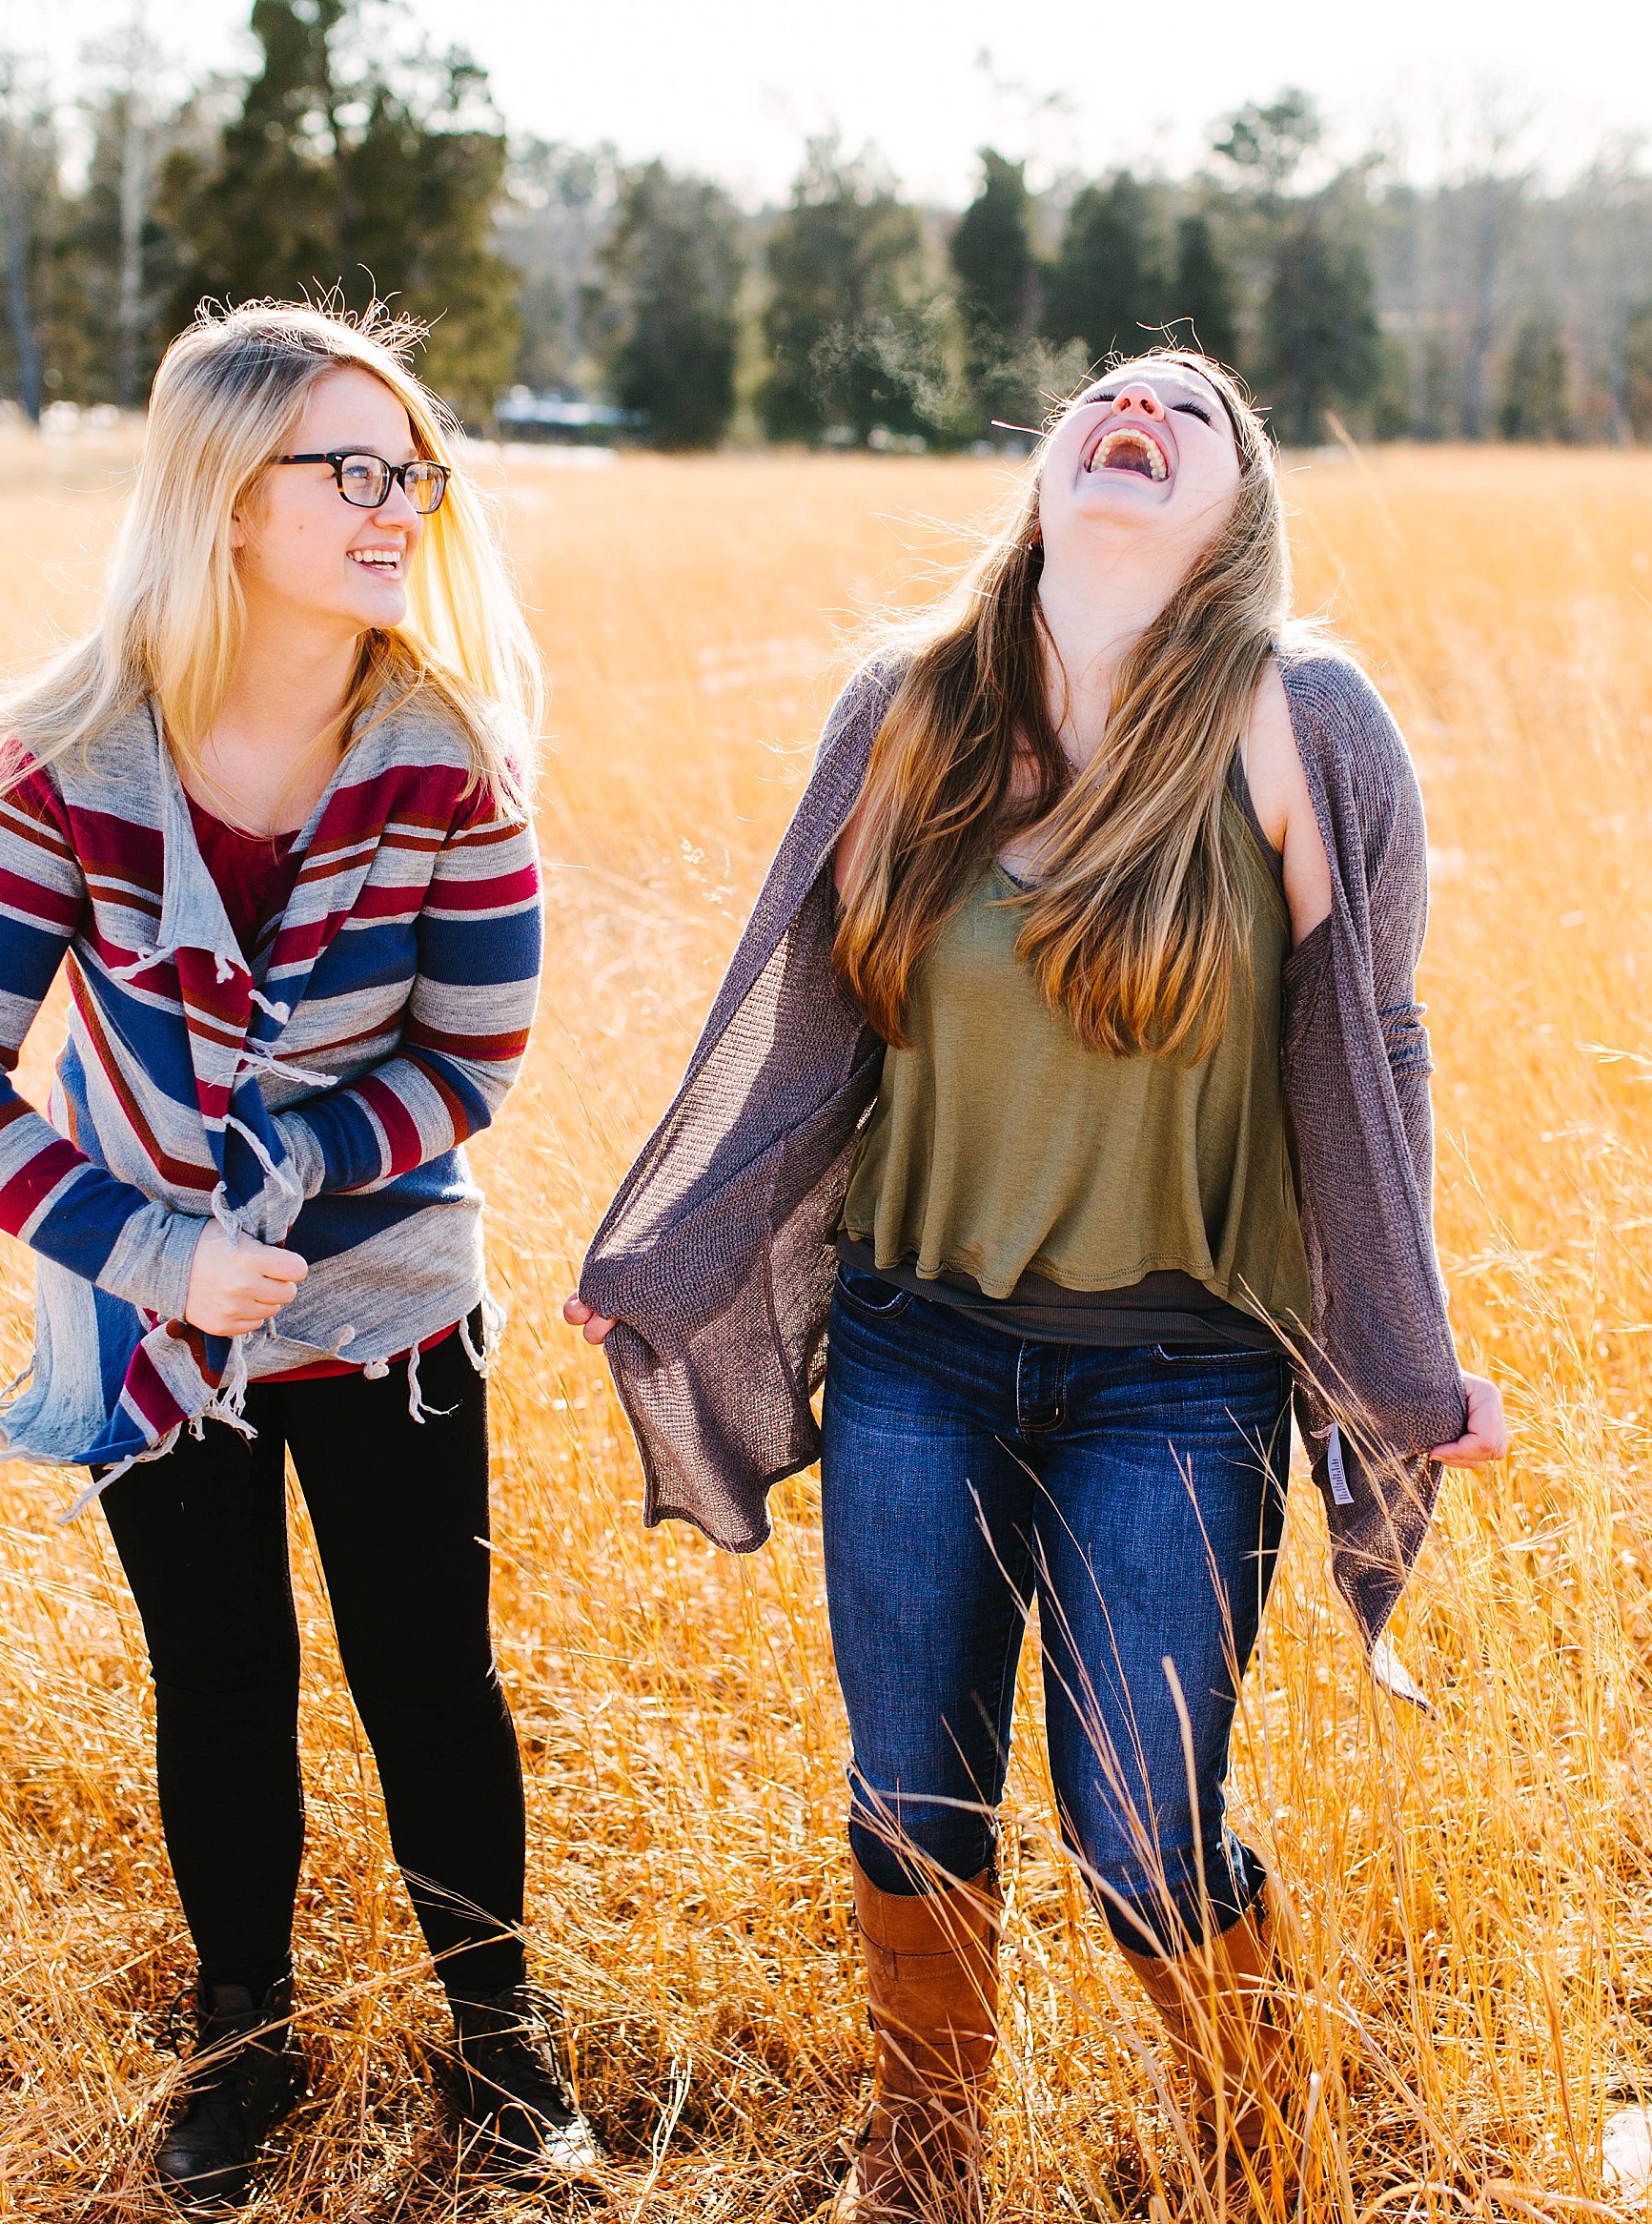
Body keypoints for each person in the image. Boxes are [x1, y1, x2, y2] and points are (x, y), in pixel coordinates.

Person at [564, 350, 1509, 2221]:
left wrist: (1406, 1355)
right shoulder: (914, 707)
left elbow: (1361, 1047)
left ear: (1235, 511)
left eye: (1195, 414)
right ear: (1050, 463)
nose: (1135, 414)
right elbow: (800, 1018)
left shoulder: (1294, 720)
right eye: (1104, 399)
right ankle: (924, 2166)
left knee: (1144, 1825)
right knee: (913, 1791)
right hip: (920, 1353)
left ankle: (1261, 2162)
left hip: (1176, 1376)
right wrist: (664, 1247)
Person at [0, 301, 599, 2210]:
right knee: (221, 1680)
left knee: (427, 1674)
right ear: (225, 496)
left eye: (411, 470)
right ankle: (246, 2046)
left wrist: (294, 1169)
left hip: (390, 1307)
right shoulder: (77, 765)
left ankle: (501, 2046)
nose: (394, 506)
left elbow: (471, 1058)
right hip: (149, 1332)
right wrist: (159, 1256)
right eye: (345, 470)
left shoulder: (444, 752)